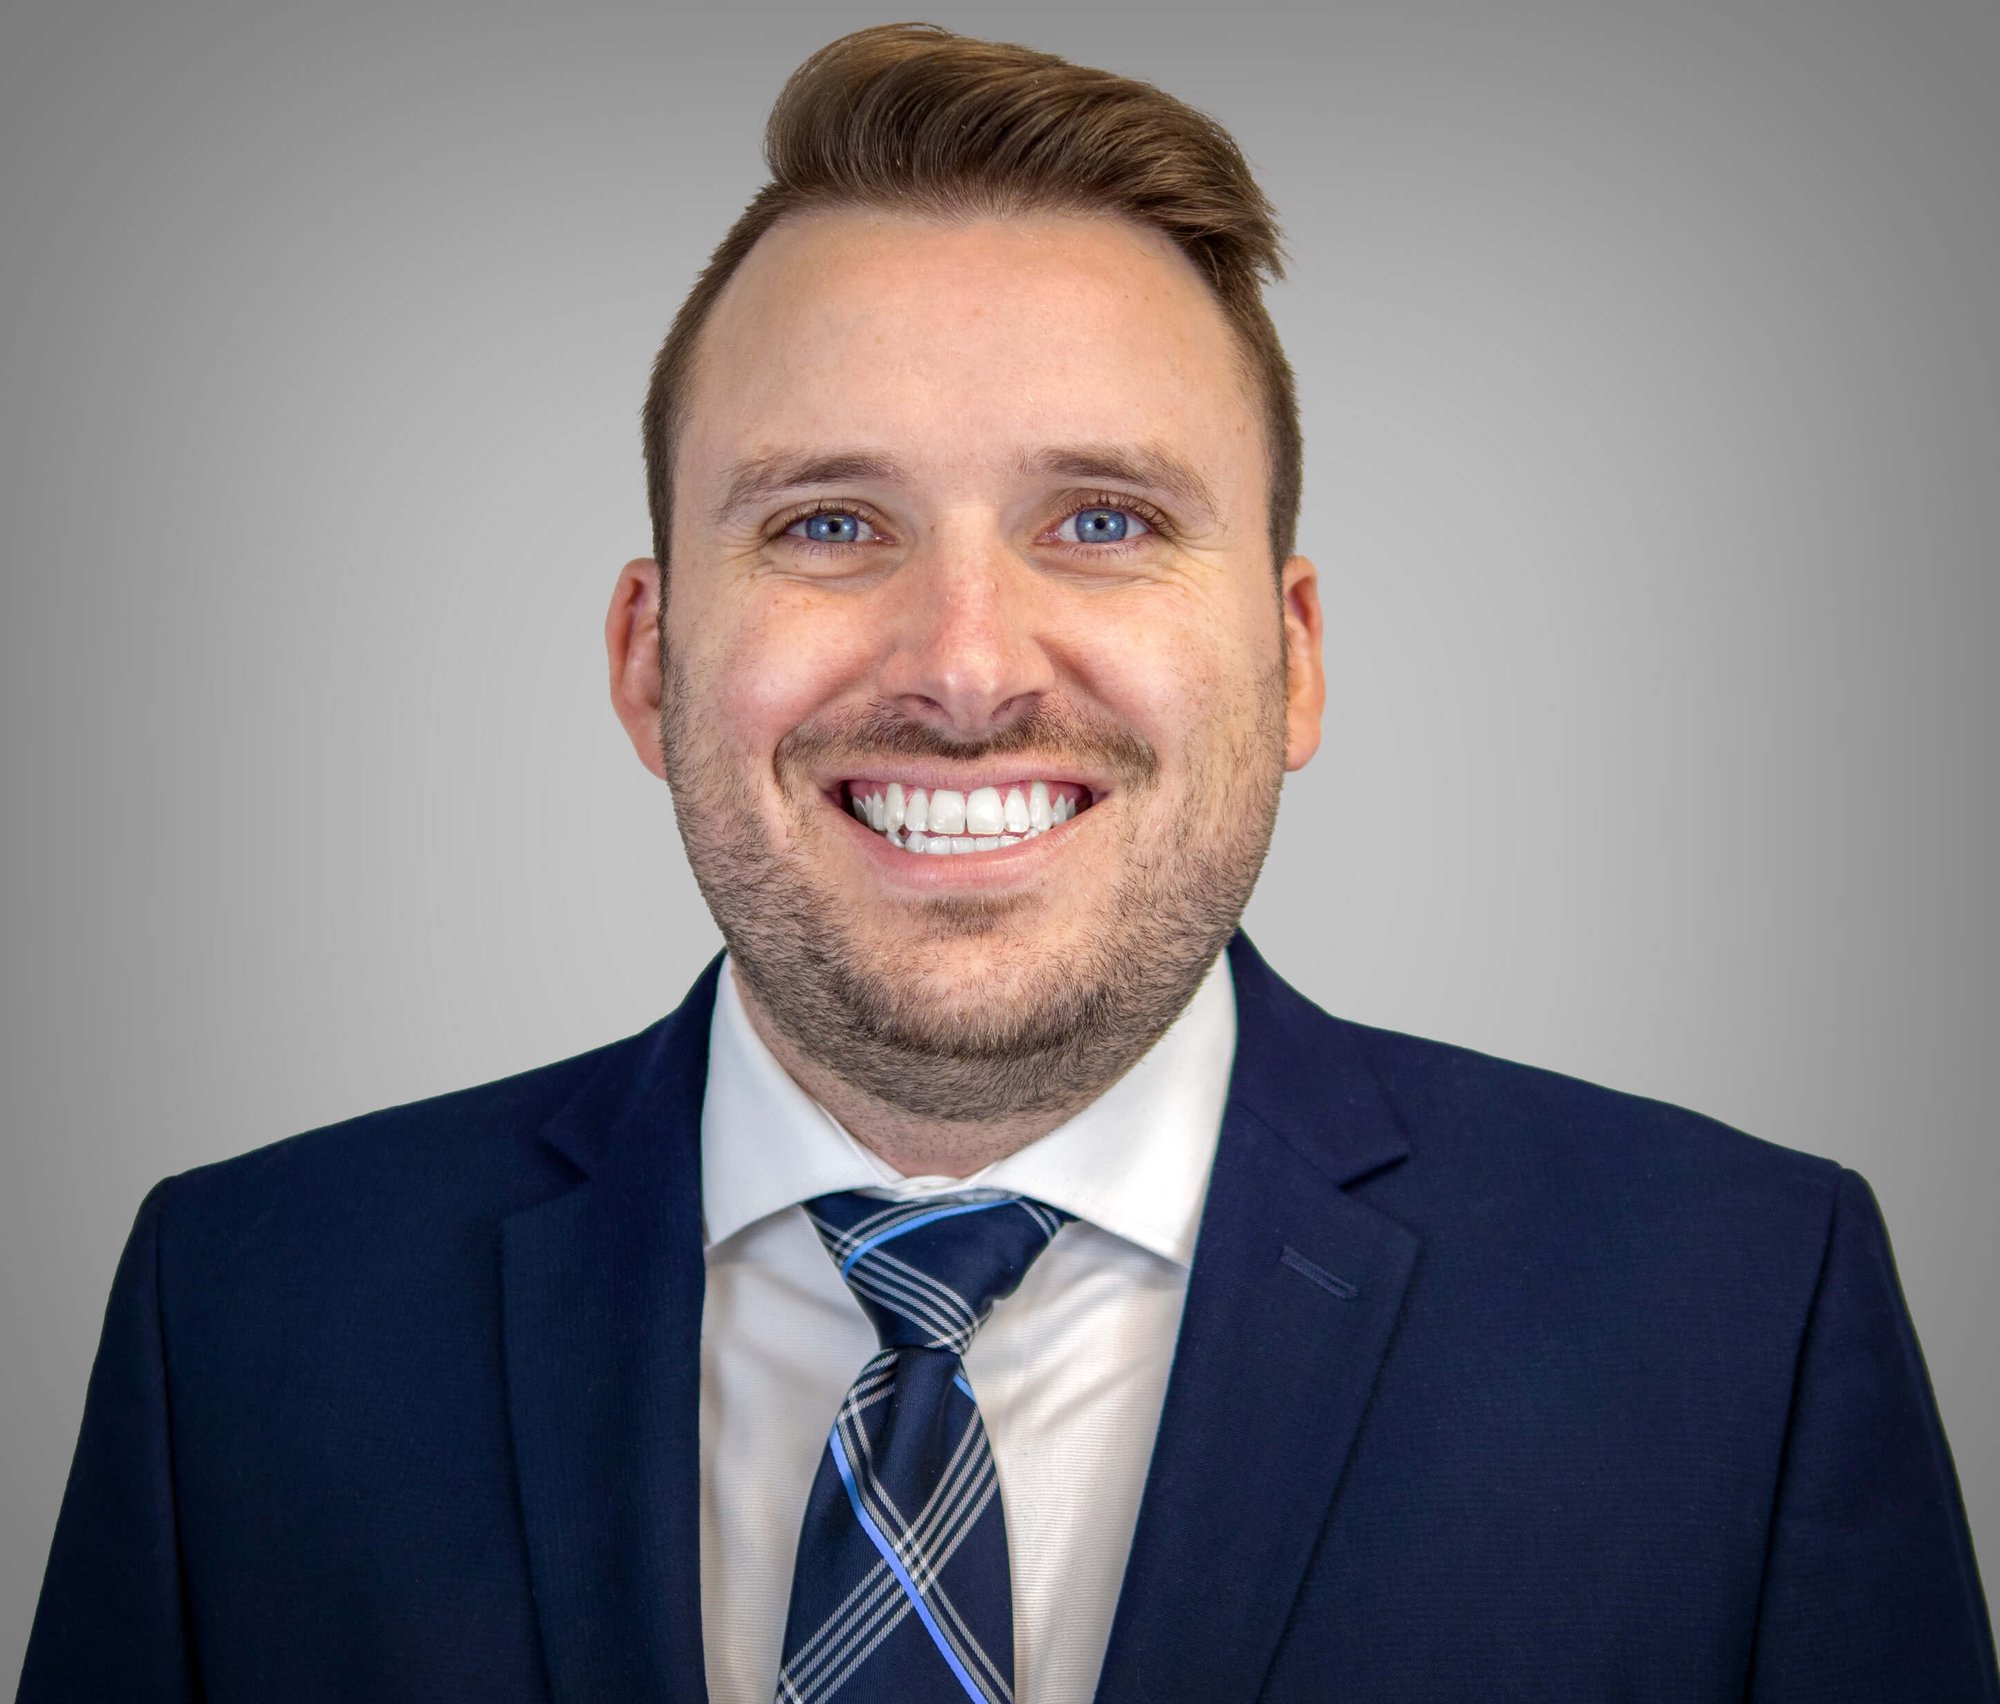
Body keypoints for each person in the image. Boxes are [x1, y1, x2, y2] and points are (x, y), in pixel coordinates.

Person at [18, 21, 1997, 1704]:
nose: (965, 669)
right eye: (825, 525)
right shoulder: (247, 1316)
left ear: (1293, 658)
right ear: (648, 657)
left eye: (1104, 521)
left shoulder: (1745, 1321)